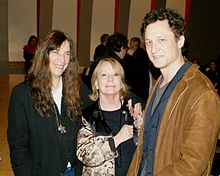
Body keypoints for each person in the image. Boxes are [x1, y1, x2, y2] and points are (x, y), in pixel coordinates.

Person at [127, 8, 220, 176]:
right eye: (149, 42)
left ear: (180, 41)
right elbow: (144, 148)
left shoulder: (201, 93)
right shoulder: (159, 84)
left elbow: (193, 163)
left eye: (161, 40)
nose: (153, 49)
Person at [7, 30, 83, 176]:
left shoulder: (76, 88)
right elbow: (18, 147)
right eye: (55, 52)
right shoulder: (22, 95)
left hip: (74, 171)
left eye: (67, 54)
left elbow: (101, 98)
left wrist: (134, 103)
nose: (62, 60)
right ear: (44, 54)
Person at [77, 58, 143, 176]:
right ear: (96, 83)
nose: (110, 79)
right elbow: (85, 156)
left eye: (115, 74)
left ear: (121, 82)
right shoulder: (87, 116)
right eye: (104, 75)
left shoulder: (134, 114)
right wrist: (116, 140)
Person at [124, 37, 150, 101]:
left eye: (130, 43)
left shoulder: (130, 53)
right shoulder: (144, 53)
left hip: (133, 82)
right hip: (143, 81)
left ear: (133, 44)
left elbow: (127, 64)